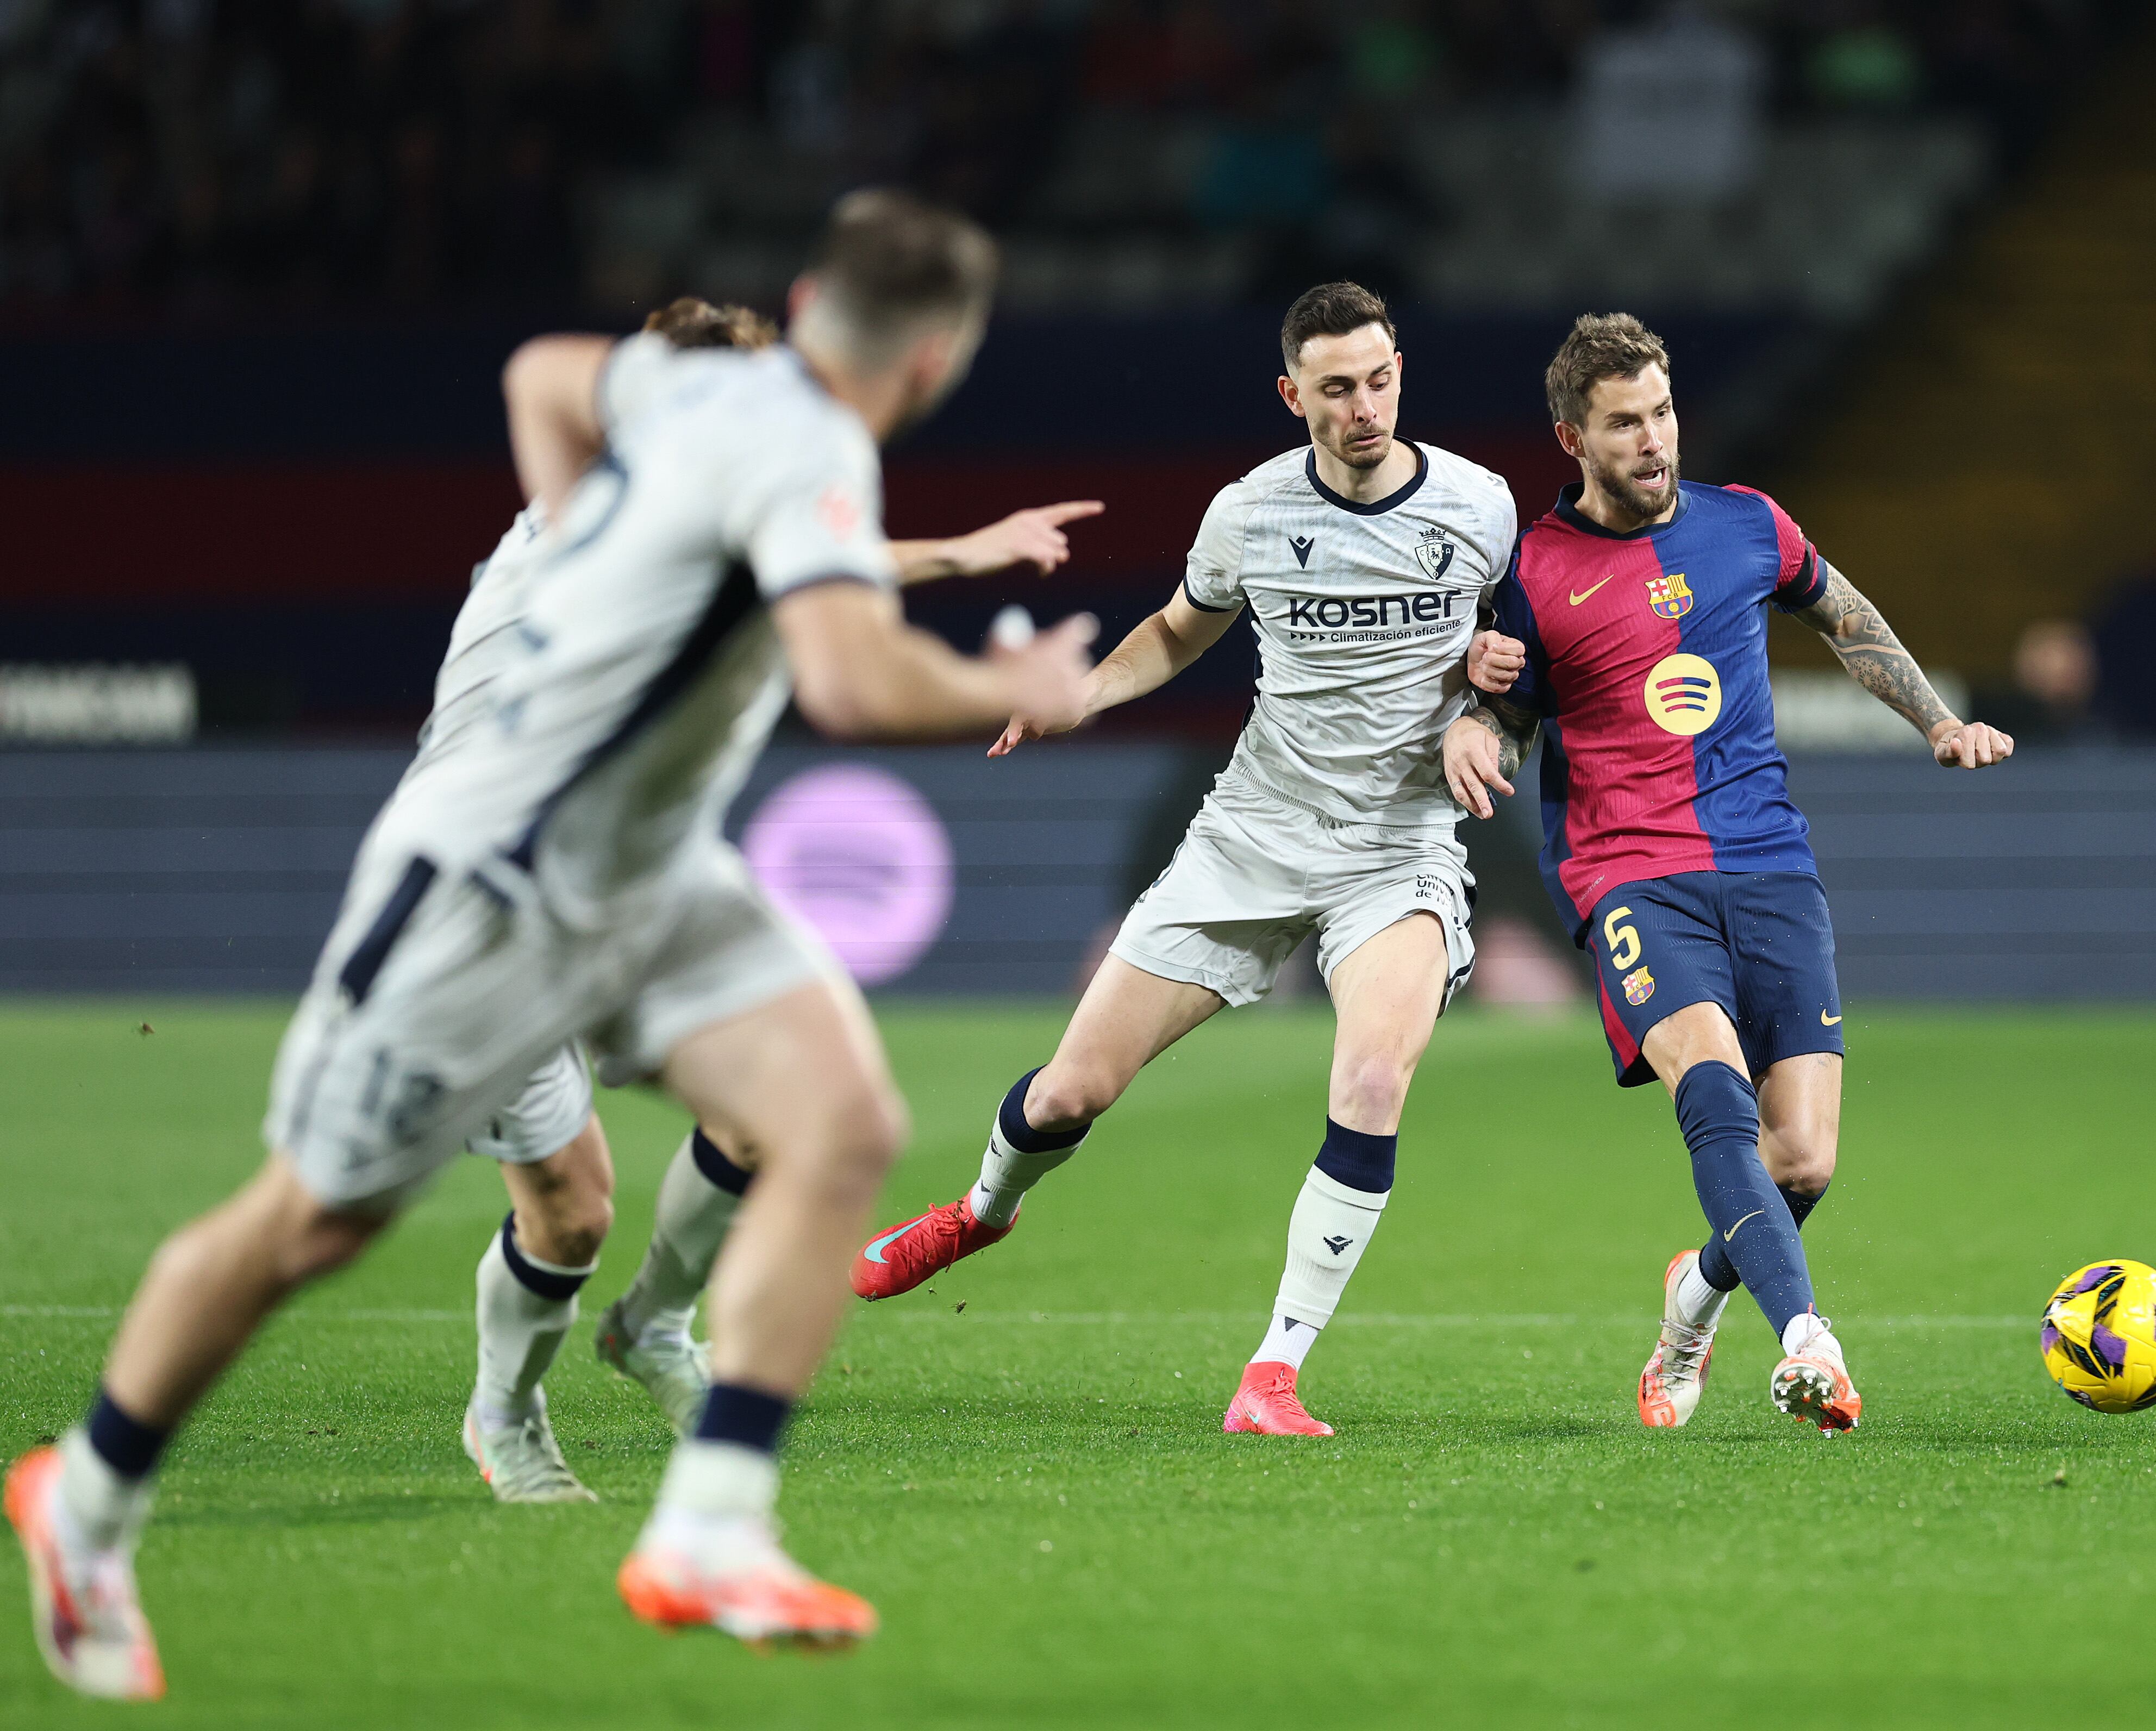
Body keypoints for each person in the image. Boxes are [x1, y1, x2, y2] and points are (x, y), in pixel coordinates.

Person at [5, 188, 1096, 1700]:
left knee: (839, 1115)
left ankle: (713, 1522)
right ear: (937, 360)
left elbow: (535, 371)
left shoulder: (691, 389)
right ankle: (90, 1492)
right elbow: (844, 679)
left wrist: (581, 519)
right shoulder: (806, 444)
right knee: (309, 1224)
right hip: (494, 888)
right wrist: (1021, 686)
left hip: (649, 880)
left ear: (806, 298)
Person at [445, 297, 1105, 1504]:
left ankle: (650, 1329)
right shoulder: (592, 517)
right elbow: (832, 633)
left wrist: (963, 551)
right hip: (501, 890)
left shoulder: (716, 511)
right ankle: (504, 1412)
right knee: (567, 1215)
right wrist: (989, 678)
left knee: (781, 1114)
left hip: (644, 880)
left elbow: (796, 552)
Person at [847, 281, 1526, 1439]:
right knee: (1071, 1092)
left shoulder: (1482, 505)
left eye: (1379, 380)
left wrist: (1485, 717)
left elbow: (1521, 663)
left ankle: (1274, 1373)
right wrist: (1079, 694)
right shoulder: (1251, 511)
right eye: (1335, 390)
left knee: (1370, 1082)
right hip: (1250, 838)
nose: (1364, 408)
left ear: (1400, 371)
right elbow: (1176, 629)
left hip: (1396, 852)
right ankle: (982, 1208)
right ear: (1290, 396)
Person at [1443, 312, 2013, 1436]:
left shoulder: (1748, 523)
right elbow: (1507, 712)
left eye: (1660, 413)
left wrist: (1939, 723)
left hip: (1769, 864)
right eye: (1623, 424)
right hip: (1629, 876)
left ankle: (1695, 1296)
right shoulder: (1535, 572)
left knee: (1799, 1160)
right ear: (1573, 439)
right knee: (1712, 1092)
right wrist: (1479, 735)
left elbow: (1846, 617)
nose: (1652, 440)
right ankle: (1810, 1344)